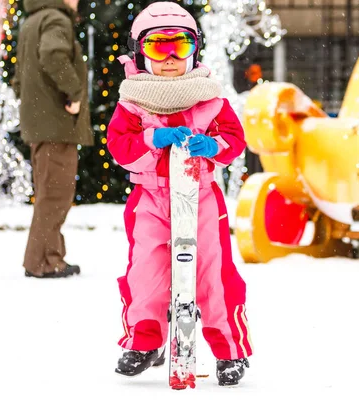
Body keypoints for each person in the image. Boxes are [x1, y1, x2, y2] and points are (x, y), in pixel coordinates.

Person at [106, 2, 253, 386]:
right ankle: (144, 341)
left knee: (213, 275)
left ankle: (229, 350)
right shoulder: (133, 99)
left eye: (180, 46)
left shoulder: (210, 97)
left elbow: (235, 141)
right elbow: (120, 147)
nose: (170, 58)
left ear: (195, 50)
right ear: (141, 52)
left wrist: (214, 145)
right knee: (146, 274)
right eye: (158, 47)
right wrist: (153, 137)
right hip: (151, 200)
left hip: (201, 197)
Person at [12, 0, 93, 278]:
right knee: (56, 195)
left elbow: (19, 74)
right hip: (56, 124)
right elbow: (52, 55)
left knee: (50, 193)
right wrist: (74, 94)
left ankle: (51, 256)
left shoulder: (32, 20)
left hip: (40, 123)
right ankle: (42, 262)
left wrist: (27, 101)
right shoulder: (56, 19)